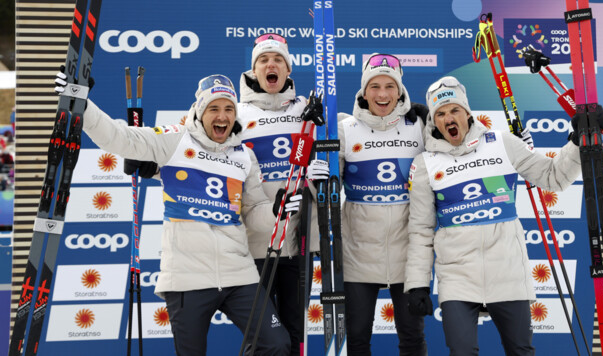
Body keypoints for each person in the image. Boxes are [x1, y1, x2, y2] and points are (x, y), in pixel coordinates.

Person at [56, 73, 297, 356]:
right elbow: (119, 138)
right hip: (187, 279)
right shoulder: (175, 141)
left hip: (239, 275)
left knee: (276, 343)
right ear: (199, 110)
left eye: (229, 109)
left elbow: (254, 213)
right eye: (214, 108)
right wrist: (83, 104)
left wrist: (276, 211)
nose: (222, 116)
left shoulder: (244, 155)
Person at [404, 76, 602, 356]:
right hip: (457, 277)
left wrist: (577, 141)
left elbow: (553, 177)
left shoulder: (502, 144)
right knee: (462, 352)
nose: (449, 118)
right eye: (441, 113)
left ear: (467, 113)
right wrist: (417, 286)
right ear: (434, 121)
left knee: (520, 351)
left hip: (508, 272)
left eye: (455, 110)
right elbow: (421, 231)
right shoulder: (425, 164)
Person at [310, 54, 428, 355]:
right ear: (363, 91)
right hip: (358, 252)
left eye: (390, 86)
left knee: (412, 339)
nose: (383, 94)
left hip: (407, 254)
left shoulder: (419, 127)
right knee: (358, 338)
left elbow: (459, 150)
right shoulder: (346, 128)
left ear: (400, 91)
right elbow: (325, 188)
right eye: (374, 86)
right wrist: (316, 172)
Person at [236, 33, 320, 356]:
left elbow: (342, 138)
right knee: (261, 338)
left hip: (298, 243)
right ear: (253, 70)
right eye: (263, 60)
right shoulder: (237, 113)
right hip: (255, 244)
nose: (271, 65)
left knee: (295, 334)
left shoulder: (306, 110)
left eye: (278, 60)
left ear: (288, 69)